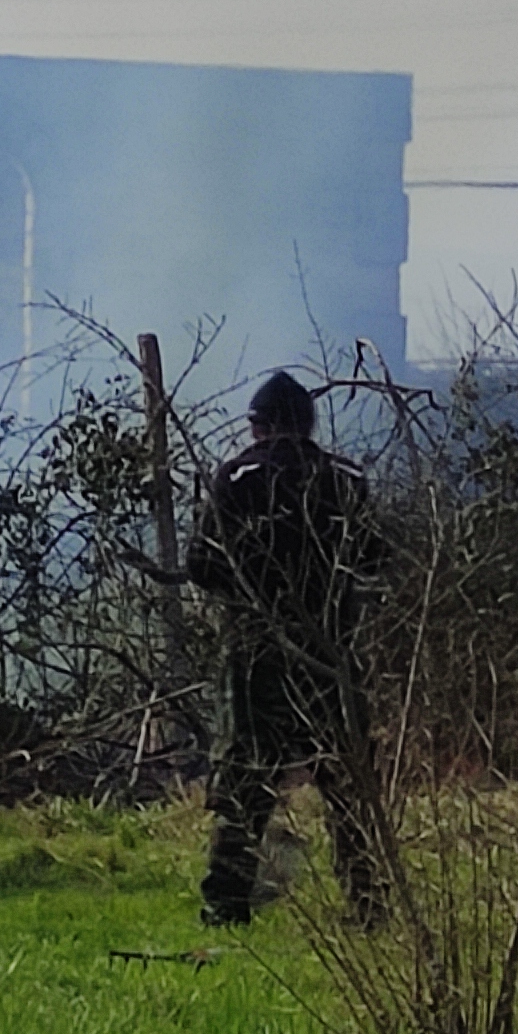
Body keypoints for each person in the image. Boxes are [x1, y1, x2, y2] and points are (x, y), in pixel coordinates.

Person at [189, 370, 385, 929]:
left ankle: (227, 904)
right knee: (350, 789)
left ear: (261, 426)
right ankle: (368, 904)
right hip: (331, 655)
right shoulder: (346, 479)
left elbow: (203, 565)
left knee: (246, 784)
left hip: (258, 656)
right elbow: (373, 559)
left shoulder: (238, 476)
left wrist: (254, 596)